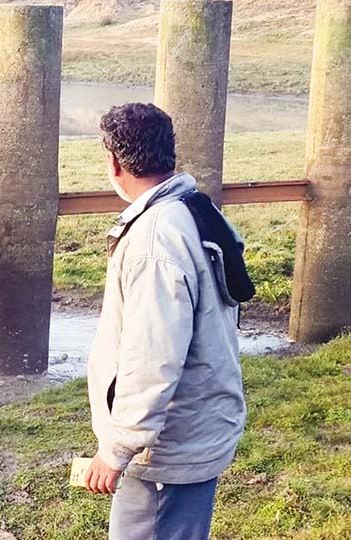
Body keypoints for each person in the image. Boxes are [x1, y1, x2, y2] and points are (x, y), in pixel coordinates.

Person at [83, 103, 247, 540]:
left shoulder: (154, 242)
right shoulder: (196, 209)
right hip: (196, 426)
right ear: (168, 153)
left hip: (165, 450)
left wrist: (117, 450)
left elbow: (153, 358)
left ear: (114, 163)